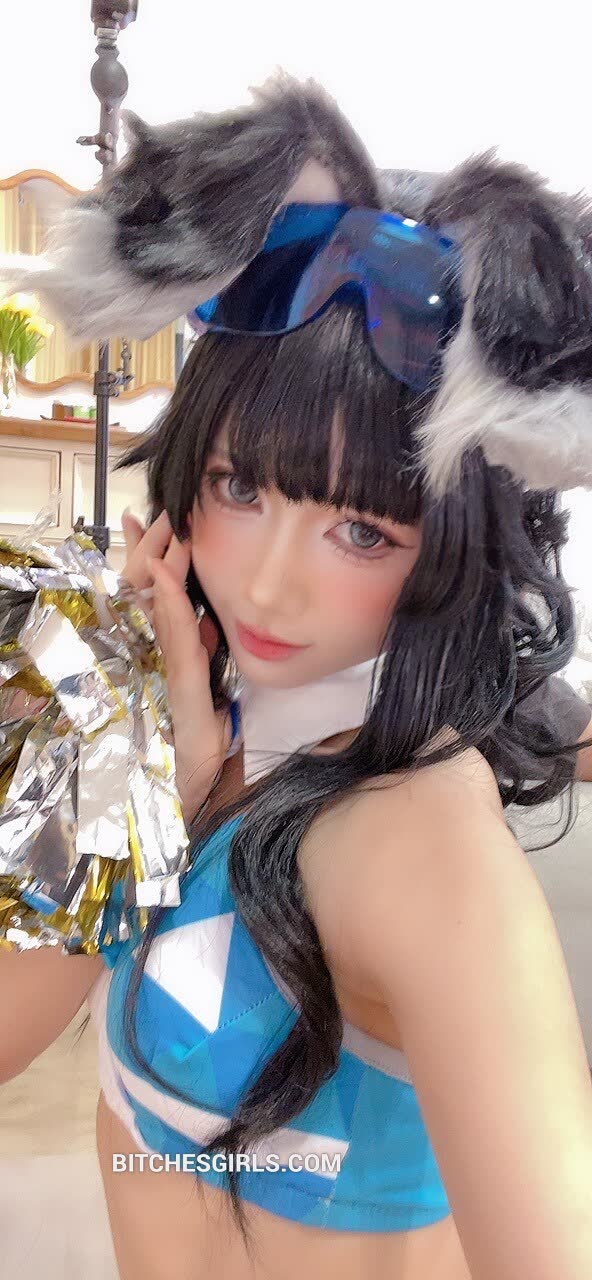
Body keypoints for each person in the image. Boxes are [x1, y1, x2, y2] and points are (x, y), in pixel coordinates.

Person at [3, 74, 592, 1280]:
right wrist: (148, 777)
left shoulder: (418, 846)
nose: (266, 587)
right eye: (239, 486)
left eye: (361, 529)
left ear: (457, 543)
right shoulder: (183, 722)